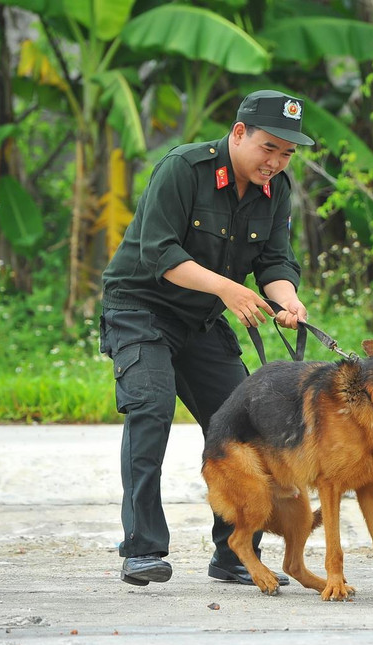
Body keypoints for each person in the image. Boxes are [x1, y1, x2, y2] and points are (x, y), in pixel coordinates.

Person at [99, 90, 314, 587]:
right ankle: (142, 549)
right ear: (238, 134)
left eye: (287, 154)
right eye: (269, 148)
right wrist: (227, 289)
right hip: (140, 307)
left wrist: (287, 300)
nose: (276, 163)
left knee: (246, 423)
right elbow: (159, 251)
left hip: (200, 320)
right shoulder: (183, 169)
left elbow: (275, 262)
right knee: (151, 408)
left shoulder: (275, 189)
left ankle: (236, 554)